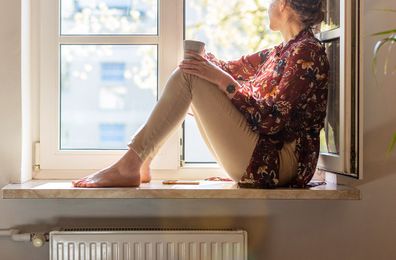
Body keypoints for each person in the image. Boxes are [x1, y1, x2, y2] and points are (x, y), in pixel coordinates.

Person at [72, 0, 329, 189]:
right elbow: (228, 68)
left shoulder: (306, 52)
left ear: (283, 5)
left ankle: (131, 163)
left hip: (279, 164)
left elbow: (271, 120)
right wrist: (201, 61)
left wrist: (220, 80)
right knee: (191, 75)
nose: (268, 6)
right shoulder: (281, 51)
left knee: (190, 77)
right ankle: (141, 161)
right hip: (266, 157)